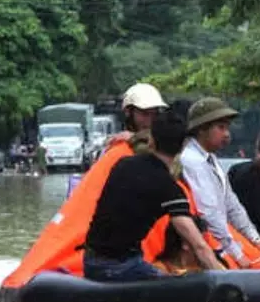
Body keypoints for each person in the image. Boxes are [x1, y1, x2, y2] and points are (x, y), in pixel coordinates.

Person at [84, 111, 224, 282]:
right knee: (178, 284)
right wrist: (227, 280)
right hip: (120, 268)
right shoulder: (170, 189)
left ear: (151, 140)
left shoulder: (123, 164)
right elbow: (198, 246)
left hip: (90, 261)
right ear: (183, 146)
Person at [180, 97, 260, 268]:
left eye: (227, 127)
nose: (227, 134)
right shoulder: (192, 161)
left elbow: (232, 204)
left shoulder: (210, 159)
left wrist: (255, 239)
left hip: (221, 239)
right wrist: (236, 254)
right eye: (221, 127)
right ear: (201, 129)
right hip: (206, 242)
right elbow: (208, 213)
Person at [108, 82, 169, 153]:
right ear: (128, 112)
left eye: (155, 114)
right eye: (145, 113)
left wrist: (134, 138)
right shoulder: (116, 147)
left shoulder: (167, 143)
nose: (150, 120)